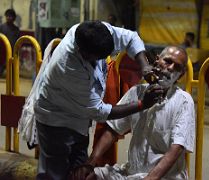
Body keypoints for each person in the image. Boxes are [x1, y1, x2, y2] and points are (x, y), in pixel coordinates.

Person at [21, 20, 159, 180]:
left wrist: (144, 66)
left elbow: (131, 38)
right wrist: (142, 104)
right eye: (98, 58)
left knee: (79, 171)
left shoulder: (97, 32)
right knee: (55, 172)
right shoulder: (68, 67)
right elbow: (99, 111)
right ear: (84, 53)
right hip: (56, 120)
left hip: (79, 118)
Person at [71, 46, 196, 180]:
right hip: (130, 173)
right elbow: (113, 130)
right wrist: (90, 164)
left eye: (176, 67)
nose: (170, 68)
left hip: (164, 177)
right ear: (157, 60)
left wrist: (150, 178)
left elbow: (177, 148)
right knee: (83, 176)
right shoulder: (137, 92)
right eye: (167, 61)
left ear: (181, 75)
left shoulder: (184, 101)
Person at [0, 9, 20, 75]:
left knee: (12, 72)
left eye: (10, 16)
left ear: (14, 18)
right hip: (2, 52)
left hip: (12, 51)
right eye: (7, 16)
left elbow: (18, 41)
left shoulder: (16, 29)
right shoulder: (1, 27)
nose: (8, 18)